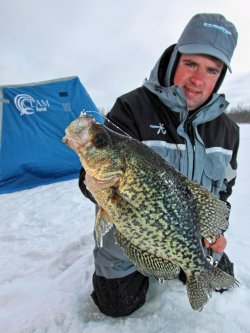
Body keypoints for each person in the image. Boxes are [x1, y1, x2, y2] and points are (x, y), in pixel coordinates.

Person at [79, 13, 239, 317]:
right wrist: (97, 186)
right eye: (191, 64)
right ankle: (145, 266)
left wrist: (216, 231)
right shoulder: (131, 108)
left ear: (220, 76)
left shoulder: (228, 130)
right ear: (175, 58)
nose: (198, 80)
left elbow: (224, 191)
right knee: (117, 305)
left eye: (211, 70)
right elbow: (91, 175)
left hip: (188, 232)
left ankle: (189, 263)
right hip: (129, 234)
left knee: (221, 283)